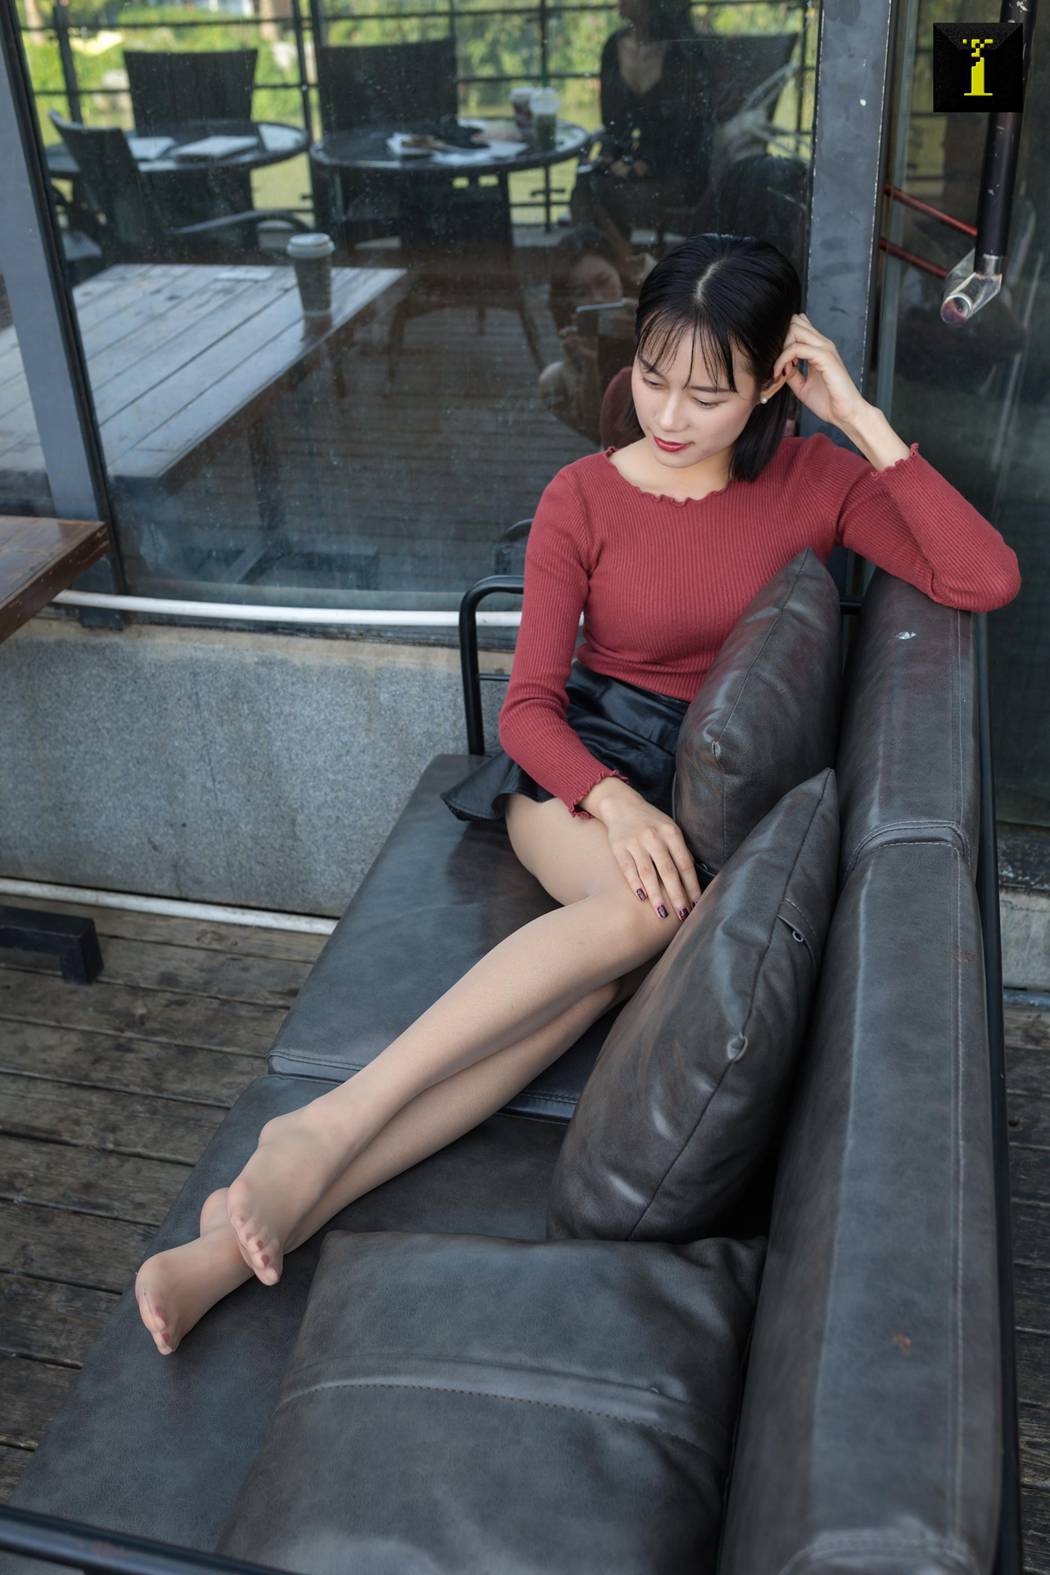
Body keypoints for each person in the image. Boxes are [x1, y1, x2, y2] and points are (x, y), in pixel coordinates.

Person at [134, 232, 1022, 1356]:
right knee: (645, 915)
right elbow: (526, 710)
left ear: (771, 384)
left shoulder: (817, 481)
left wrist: (855, 413)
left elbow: (983, 575)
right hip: (577, 769)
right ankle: (324, 1122)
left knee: (582, 993)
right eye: (652, 375)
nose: (670, 414)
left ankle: (247, 1226)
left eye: (709, 393)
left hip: (682, 784)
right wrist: (615, 801)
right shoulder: (584, 494)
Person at [569, 0, 717, 255]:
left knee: (601, 192)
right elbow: (612, 122)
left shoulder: (683, 51)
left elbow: (692, 130)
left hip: (676, 170)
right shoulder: (613, 46)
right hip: (632, 163)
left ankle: (622, 265)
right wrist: (613, 158)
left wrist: (645, 165)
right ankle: (612, 265)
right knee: (585, 184)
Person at [539, 224, 657, 444]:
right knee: (552, 381)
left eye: (604, 282)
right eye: (581, 292)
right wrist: (588, 363)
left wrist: (651, 328)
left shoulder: (657, 286)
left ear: (619, 272)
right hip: (619, 422)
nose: (598, 298)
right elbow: (591, 421)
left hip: (670, 410)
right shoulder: (577, 327)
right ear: (569, 300)